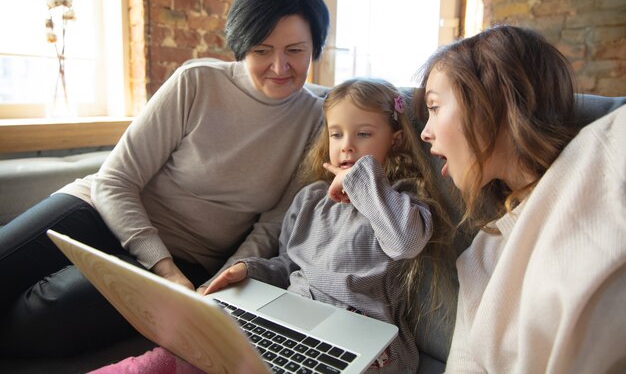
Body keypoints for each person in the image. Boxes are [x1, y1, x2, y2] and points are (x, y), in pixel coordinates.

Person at [0, 0, 330, 357]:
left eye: (295, 50)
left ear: (315, 48)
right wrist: (163, 269)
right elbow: (115, 180)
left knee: (43, 317)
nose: (279, 66)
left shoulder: (318, 120)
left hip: (189, 258)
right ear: (242, 47)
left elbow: (275, 222)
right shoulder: (197, 81)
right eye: (261, 50)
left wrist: (230, 274)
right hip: (97, 212)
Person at [89, 77, 453, 374]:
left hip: (367, 339)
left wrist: (364, 180)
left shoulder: (400, 200)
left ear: (396, 139)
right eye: (337, 134)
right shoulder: (311, 199)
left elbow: (404, 243)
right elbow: (287, 266)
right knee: (174, 358)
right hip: (294, 319)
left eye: (363, 134)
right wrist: (248, 270)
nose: (346, 148)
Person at [418, 25, 626, 373]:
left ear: (494, 98)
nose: (425, 131)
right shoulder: (482, 256)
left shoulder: (605, 148)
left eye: (435, 107)